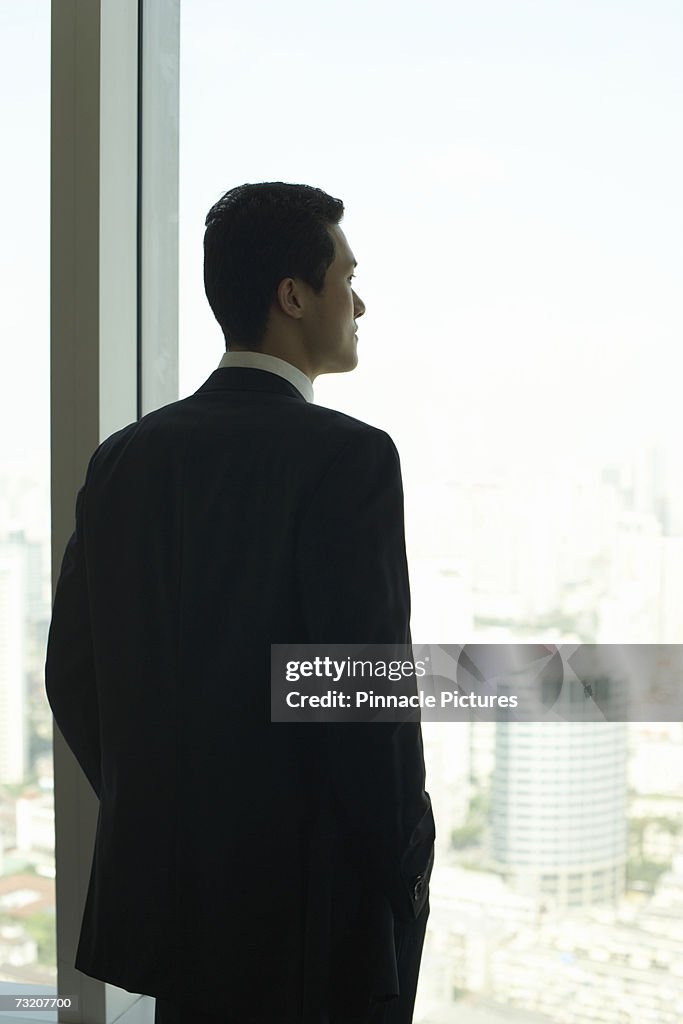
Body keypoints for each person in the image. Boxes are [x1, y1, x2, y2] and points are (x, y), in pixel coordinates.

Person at [45, 181, 435, 1024]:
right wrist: (405, 863)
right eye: (346, 276)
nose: (359, 301)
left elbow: (72, 675)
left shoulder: (125, 460)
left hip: (178, 917)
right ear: (293, 296)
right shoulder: (350, 458)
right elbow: (360, 700)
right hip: (310, 926)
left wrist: (165, 806)